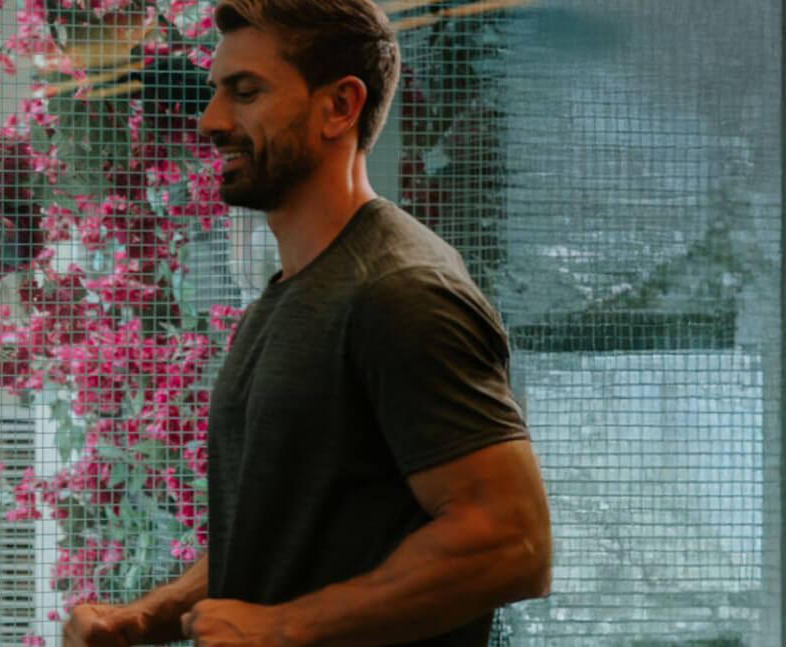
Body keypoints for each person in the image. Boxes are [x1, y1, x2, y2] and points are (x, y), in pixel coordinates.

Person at [63, 1, 552, 645]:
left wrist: (283, 628)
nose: (211, 122)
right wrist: (149, 616)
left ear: (340, 107)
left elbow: (511, 544)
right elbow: (283, 535)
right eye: (217, 93)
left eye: (246, 93)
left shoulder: (400, 288)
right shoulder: (290, 292)